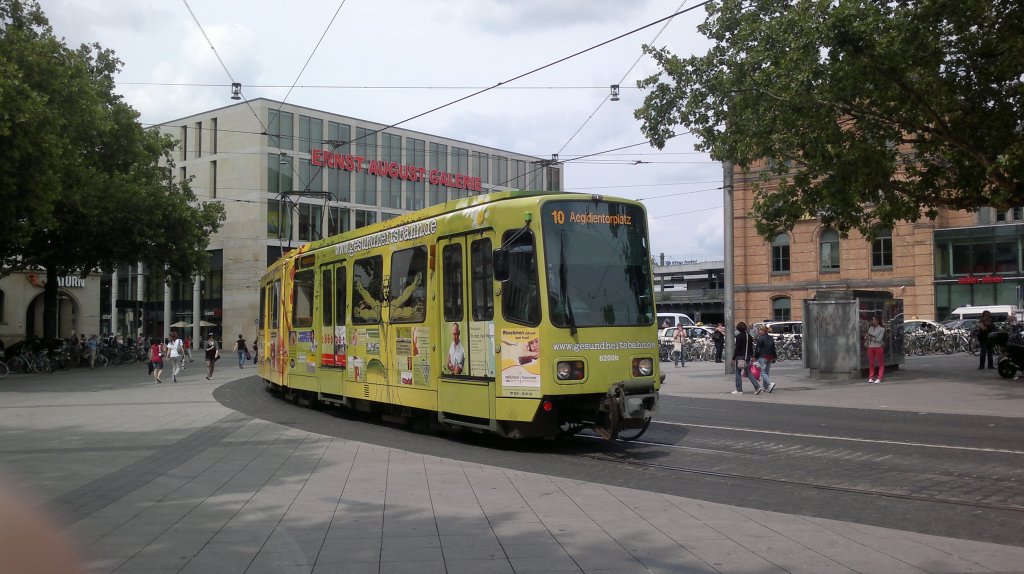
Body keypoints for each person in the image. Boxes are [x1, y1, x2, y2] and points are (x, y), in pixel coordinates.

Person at [731, 322, 762, 395]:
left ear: (738, 328)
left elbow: (737, 348)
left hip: (740, 357)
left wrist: (733, 358)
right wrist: (752, 356)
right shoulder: (749, 336)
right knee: (748, 372)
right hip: (748, 356)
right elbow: (751, 348)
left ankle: (739, 390)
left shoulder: (739, 336)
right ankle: (757, 387)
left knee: (738, 372)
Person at [754, 324, 777, 393]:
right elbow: (773, 348)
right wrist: (774, 357)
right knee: (766, 372)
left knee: (763, 372)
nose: (759, 331)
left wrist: (755, 357)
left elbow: (758, 349)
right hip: (770, 357)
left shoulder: (760, 338)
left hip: (762, 357)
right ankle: (766, 387)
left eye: (759, 330)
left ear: (762, 331)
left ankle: (770, 384)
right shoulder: (771, 338)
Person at [865, 315, 886, 383]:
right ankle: (871, 377)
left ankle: (879, 378)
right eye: (873, 319)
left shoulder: (882, 329)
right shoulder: (871, 328)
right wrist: (867, 337)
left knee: (880, 363)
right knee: (871, 363)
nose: (873, 321)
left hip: (878, 347)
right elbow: (867, 336)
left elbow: (880, 340)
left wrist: (871, 337)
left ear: (878, 320)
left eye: (875, 319)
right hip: (871, 347)